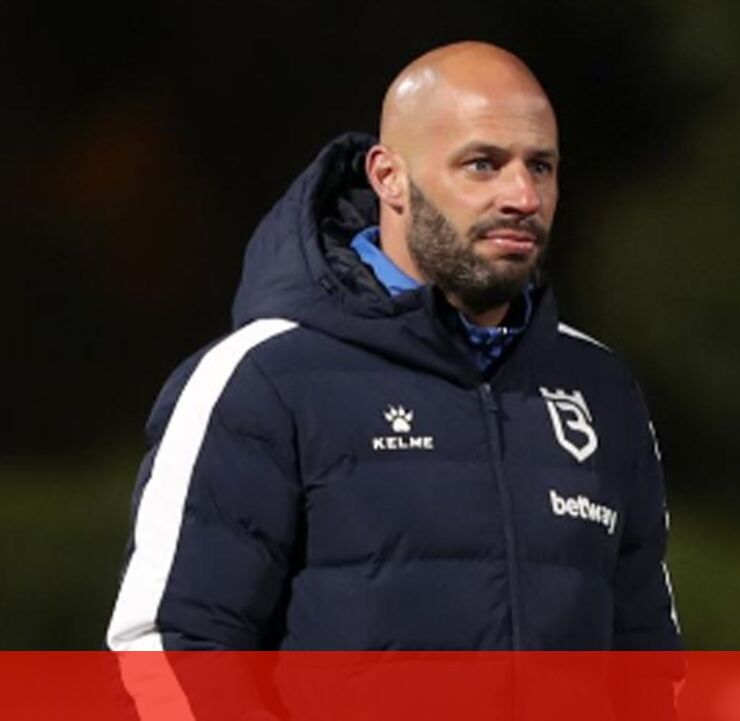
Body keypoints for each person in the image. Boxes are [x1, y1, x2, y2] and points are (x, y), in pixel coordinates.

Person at [106, 42, 681, 660]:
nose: (524, 197)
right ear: (388, 177)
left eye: (540, 166)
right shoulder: (260, 380)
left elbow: (647, 659)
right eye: (482, 164)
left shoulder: (600, 386)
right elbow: (170, 647)